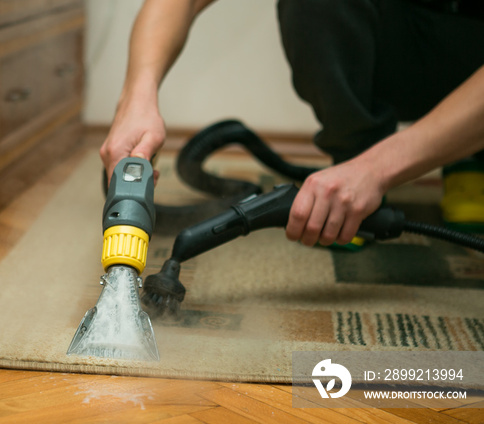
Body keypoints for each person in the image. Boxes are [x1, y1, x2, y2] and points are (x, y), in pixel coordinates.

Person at [99, 0, 484, 247]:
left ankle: (469, 154)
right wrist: (135, 98)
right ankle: (353, 169)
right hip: (403, 39)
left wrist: (377, 169)